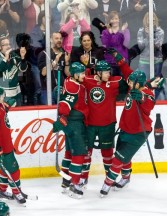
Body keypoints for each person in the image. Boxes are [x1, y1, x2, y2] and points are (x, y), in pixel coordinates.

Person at [80, 50, 133, 188]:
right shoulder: (88, 80)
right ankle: (83, 178)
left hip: (108, 125)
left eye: (109, 71)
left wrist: (119, 59)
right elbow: (74, 79)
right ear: (98, 73)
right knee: (86, 152)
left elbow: (130, 77)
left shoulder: (115, 82)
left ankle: (109, 178)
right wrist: (86, 67)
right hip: (89, 124)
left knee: (108, 154)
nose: (109, 74)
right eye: (106, 72)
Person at [100, 69, 156, 197]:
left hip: (138, 133)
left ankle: (107, 184)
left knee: (118, 158)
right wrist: (118, 58)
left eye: (131, 82)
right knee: (125, 157)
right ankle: (125, 178)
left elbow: (149, 103)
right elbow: (128, 72)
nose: (128, 84)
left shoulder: (148, 94)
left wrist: (141, 97)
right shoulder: (134, 87)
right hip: (125, 129)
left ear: (138, 84)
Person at [52, 62, 88, 199]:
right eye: (82, 73)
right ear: (75, 75)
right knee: (78, 154)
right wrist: (62, 118)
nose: (84, 76)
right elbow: (65, 105)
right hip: (75, 124)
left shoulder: (70, 82)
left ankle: (66, 182)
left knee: (69, 153)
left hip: (72, 123)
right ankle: (74, 184)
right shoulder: (73, 86)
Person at [0, 36, 28, 106]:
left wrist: (22, 57)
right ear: (0, 47)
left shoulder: (14, 56)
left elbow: (23, 69)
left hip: (16, 93)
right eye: (5, 45)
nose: (8, 46)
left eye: (9, 44)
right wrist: (5, 58)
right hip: (2, 96)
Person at [37, 32, 70, 105]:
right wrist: (55, 61)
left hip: (61, 90)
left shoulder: (65, 54)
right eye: (56, 38)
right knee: (48, 112)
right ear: (51, 40)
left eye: (60, 38)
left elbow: (68, 74)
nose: (59, 40)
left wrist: (67, 63)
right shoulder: (44, 54)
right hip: (48, 90)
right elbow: (44, 72)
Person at [101, 10, 130, 76]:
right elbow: (107, 44)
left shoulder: (125, 30)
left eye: (116, 18)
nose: (114, 21)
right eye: (112, 19)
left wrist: (121, 31)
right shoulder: (105, 32)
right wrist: (111, 33)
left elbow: (126, 44)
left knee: (123, 82)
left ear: (119, 20)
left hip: (122, 61)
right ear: (109, 20)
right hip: (110, 61)